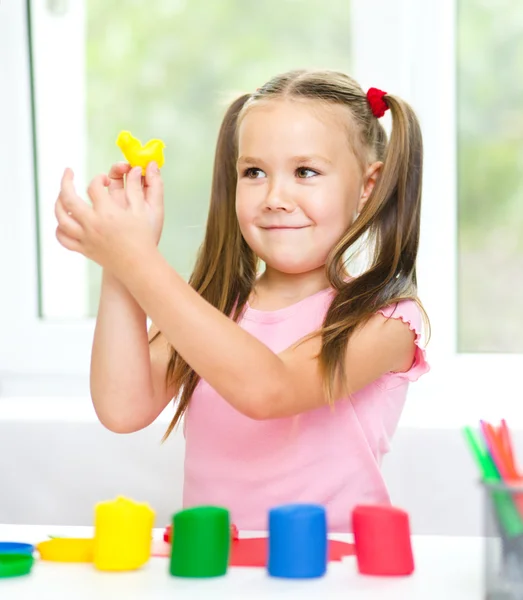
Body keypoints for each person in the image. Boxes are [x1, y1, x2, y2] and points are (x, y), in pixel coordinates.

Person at [54, 69, 430, 532]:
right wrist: (120, 263)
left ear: (368, 185)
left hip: (330, 574)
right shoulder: (212, 310)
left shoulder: (386, 319)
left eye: (305, 172)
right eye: (254, 172)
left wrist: (136, 260)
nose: (274, 197)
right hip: (215, 568)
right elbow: (123, 407)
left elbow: (270, 390)